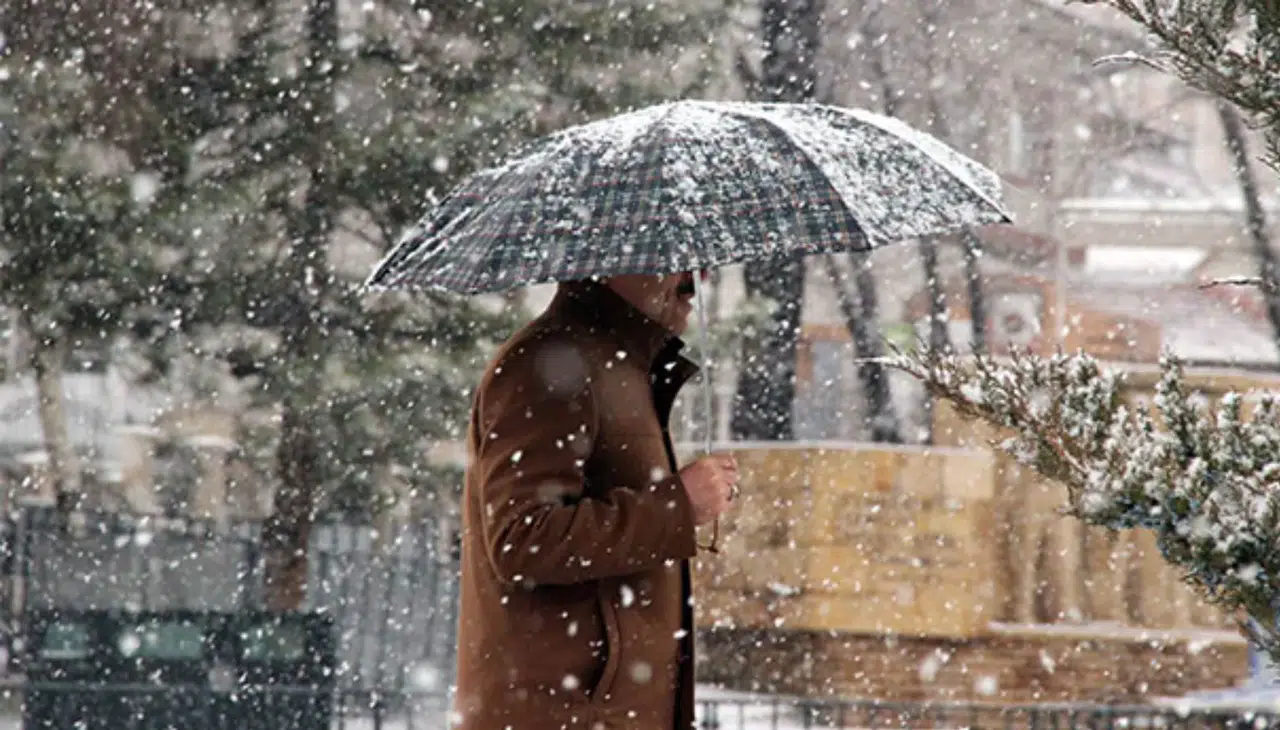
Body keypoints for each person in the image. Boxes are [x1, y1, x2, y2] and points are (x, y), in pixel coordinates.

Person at [451, 272, 739, 730]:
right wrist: (677, 507)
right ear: (617, 262)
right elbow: (522, 540)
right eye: (678, 261)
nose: (697, 279)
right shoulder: (549, 363)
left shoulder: (615, 364)